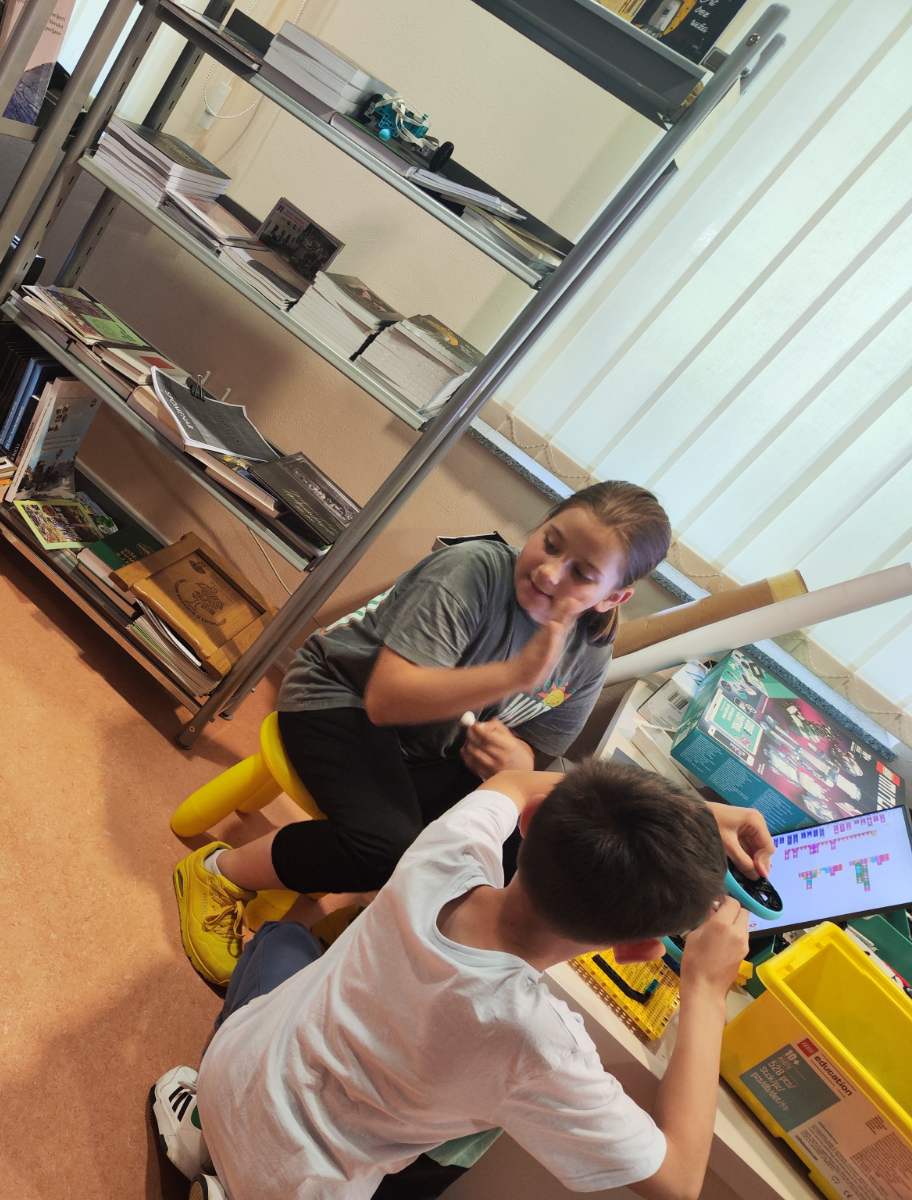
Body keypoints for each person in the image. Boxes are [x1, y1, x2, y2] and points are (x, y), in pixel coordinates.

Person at [153, 762, 773, 1200]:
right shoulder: (538, 1044)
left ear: (530, 823)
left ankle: (205, 1127)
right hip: (291, 1185)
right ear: (640, 950)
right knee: (477, 1123)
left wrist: (690, 814)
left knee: (285, 943)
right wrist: (704, 987)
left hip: (233, 1073)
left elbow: (515, 782)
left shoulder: (446, 849)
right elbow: (678, 1179)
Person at [175, 481, 673, 985]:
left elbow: (538, 751)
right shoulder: (473, 570)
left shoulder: (589, 653)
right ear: (541, 525)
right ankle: (220, 874)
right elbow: (386, 700)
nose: (549, 572)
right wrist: (514, 675)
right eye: (551, 543)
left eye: (582, 574)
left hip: (430, 744)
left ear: (613, 597)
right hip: (340, 700)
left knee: (516, 849)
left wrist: (516, 760)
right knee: (386, 847)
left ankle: (374, 927)